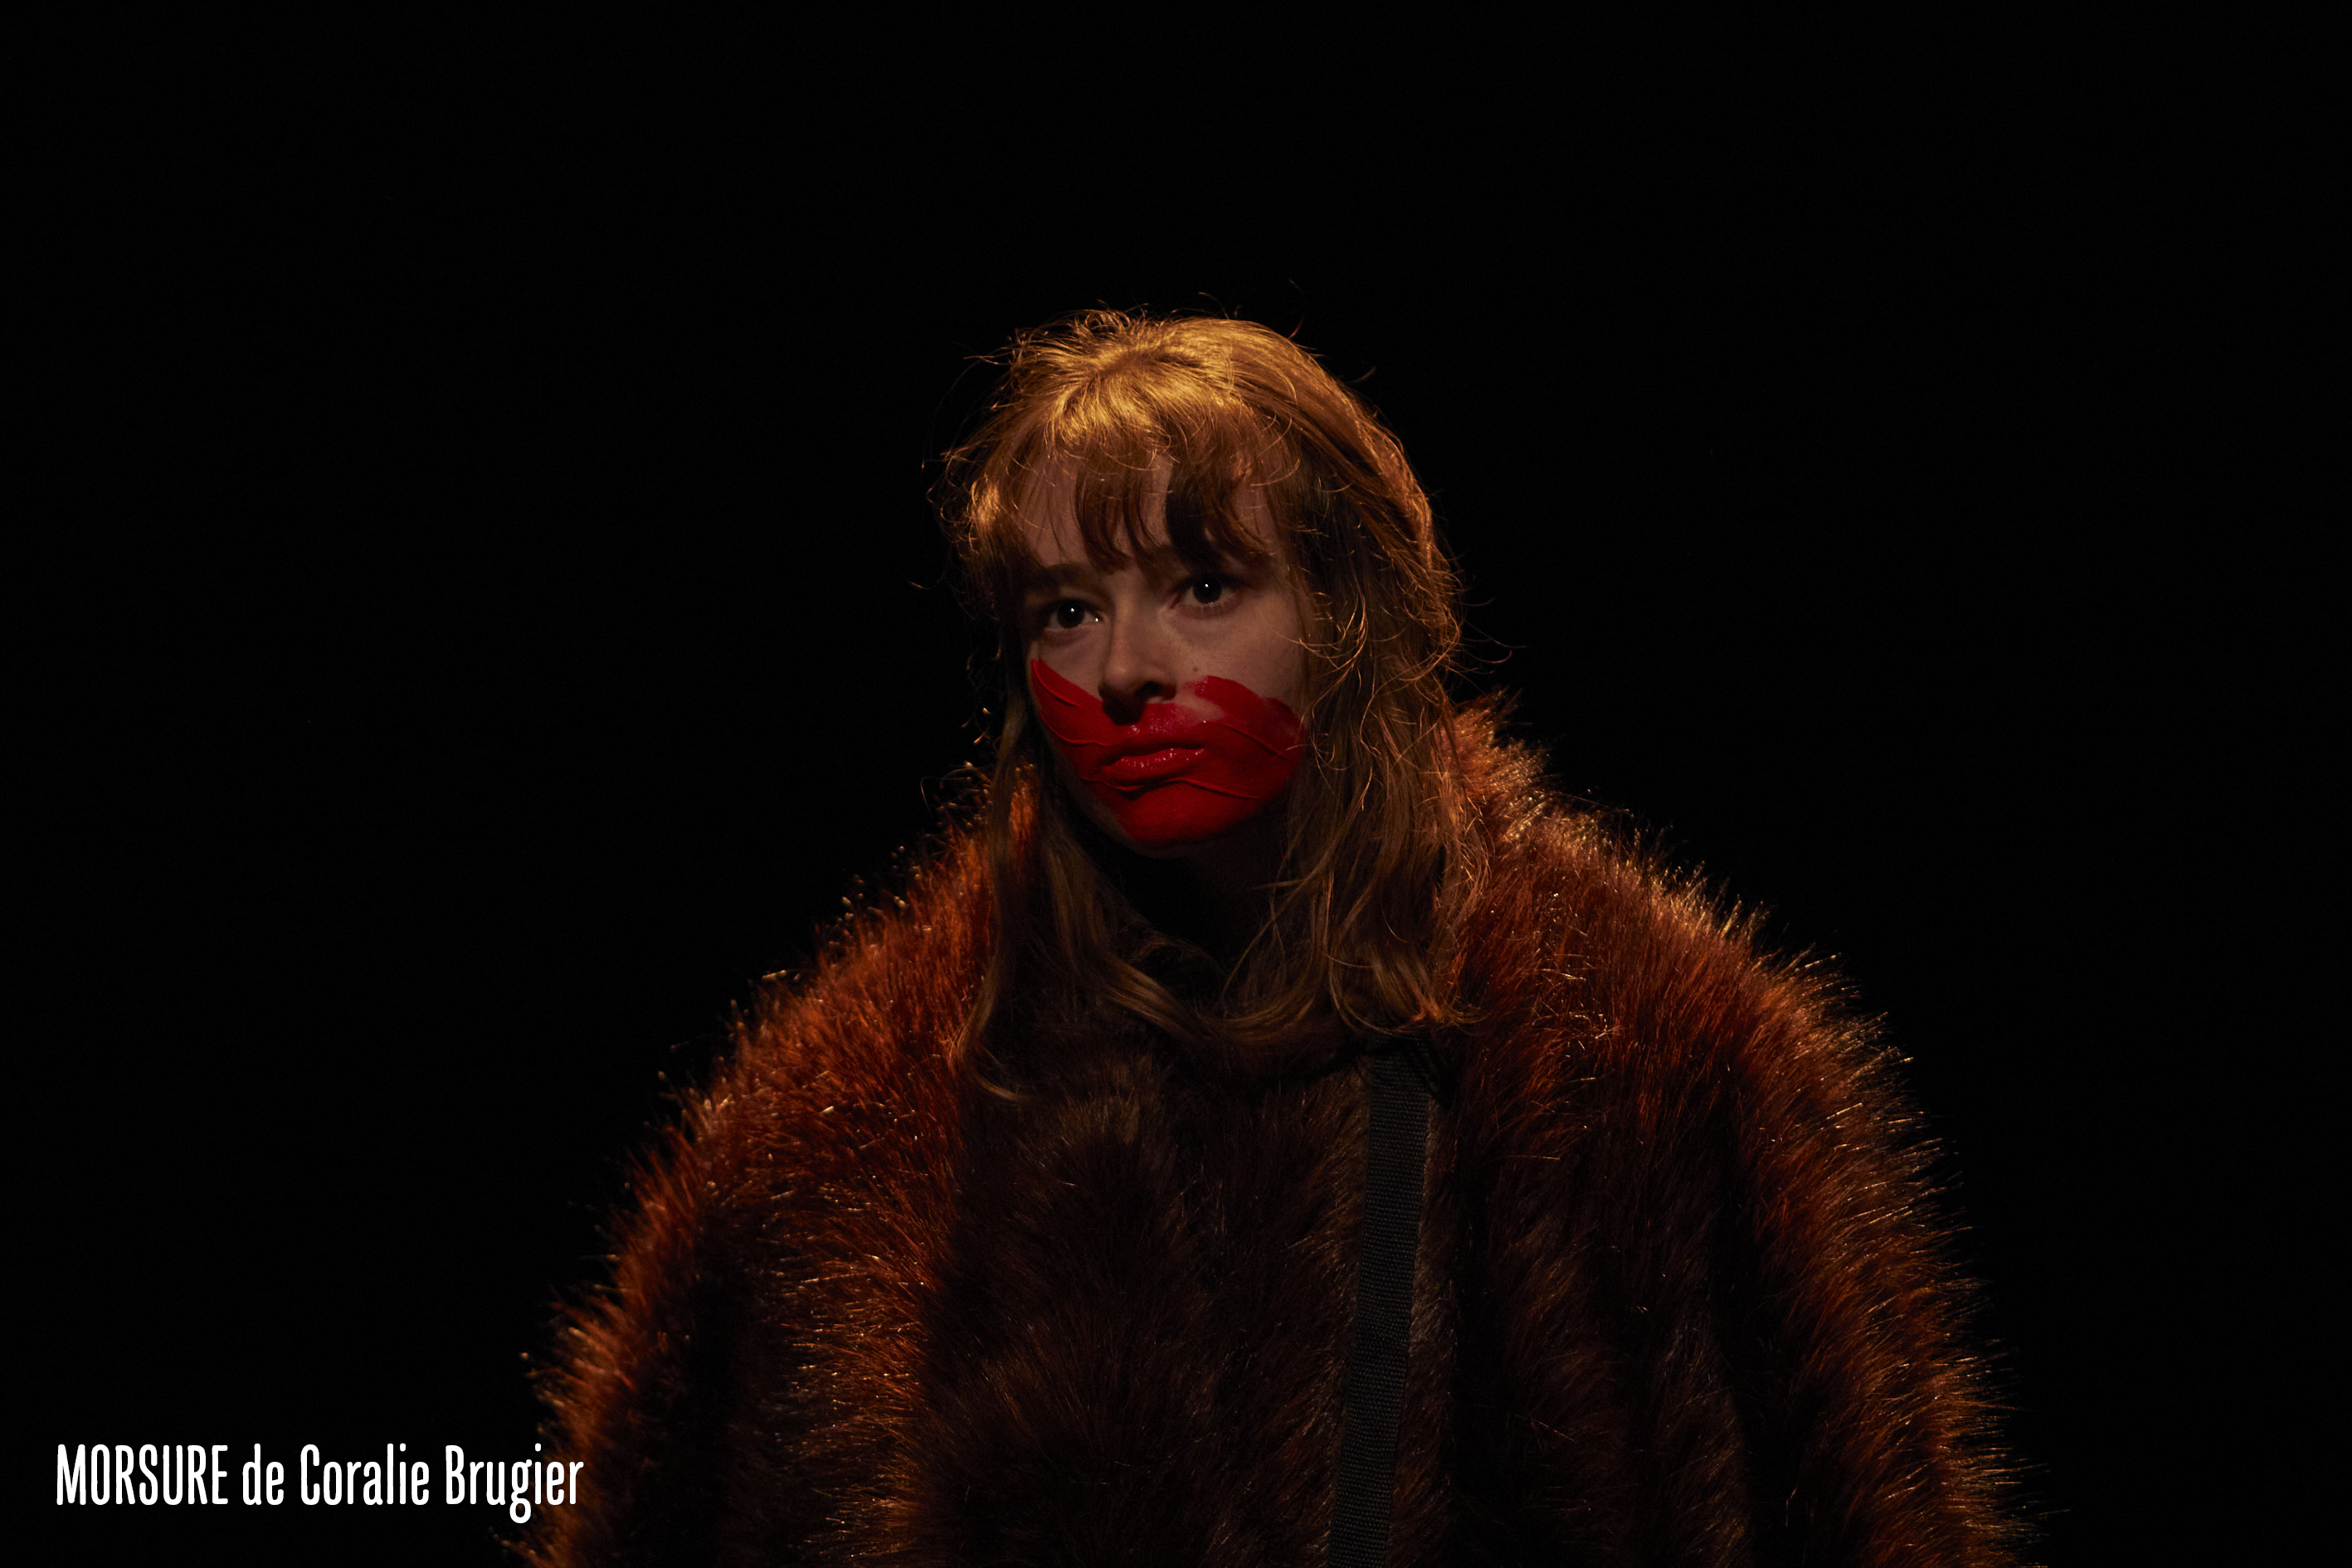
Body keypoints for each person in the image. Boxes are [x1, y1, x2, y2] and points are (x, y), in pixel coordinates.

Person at [528, 311, 2026, 1565]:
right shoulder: (856, 1118)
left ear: (1348, 613)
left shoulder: (1646, 1066)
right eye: (1065, 610)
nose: (1125, 668)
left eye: (1202, 586)